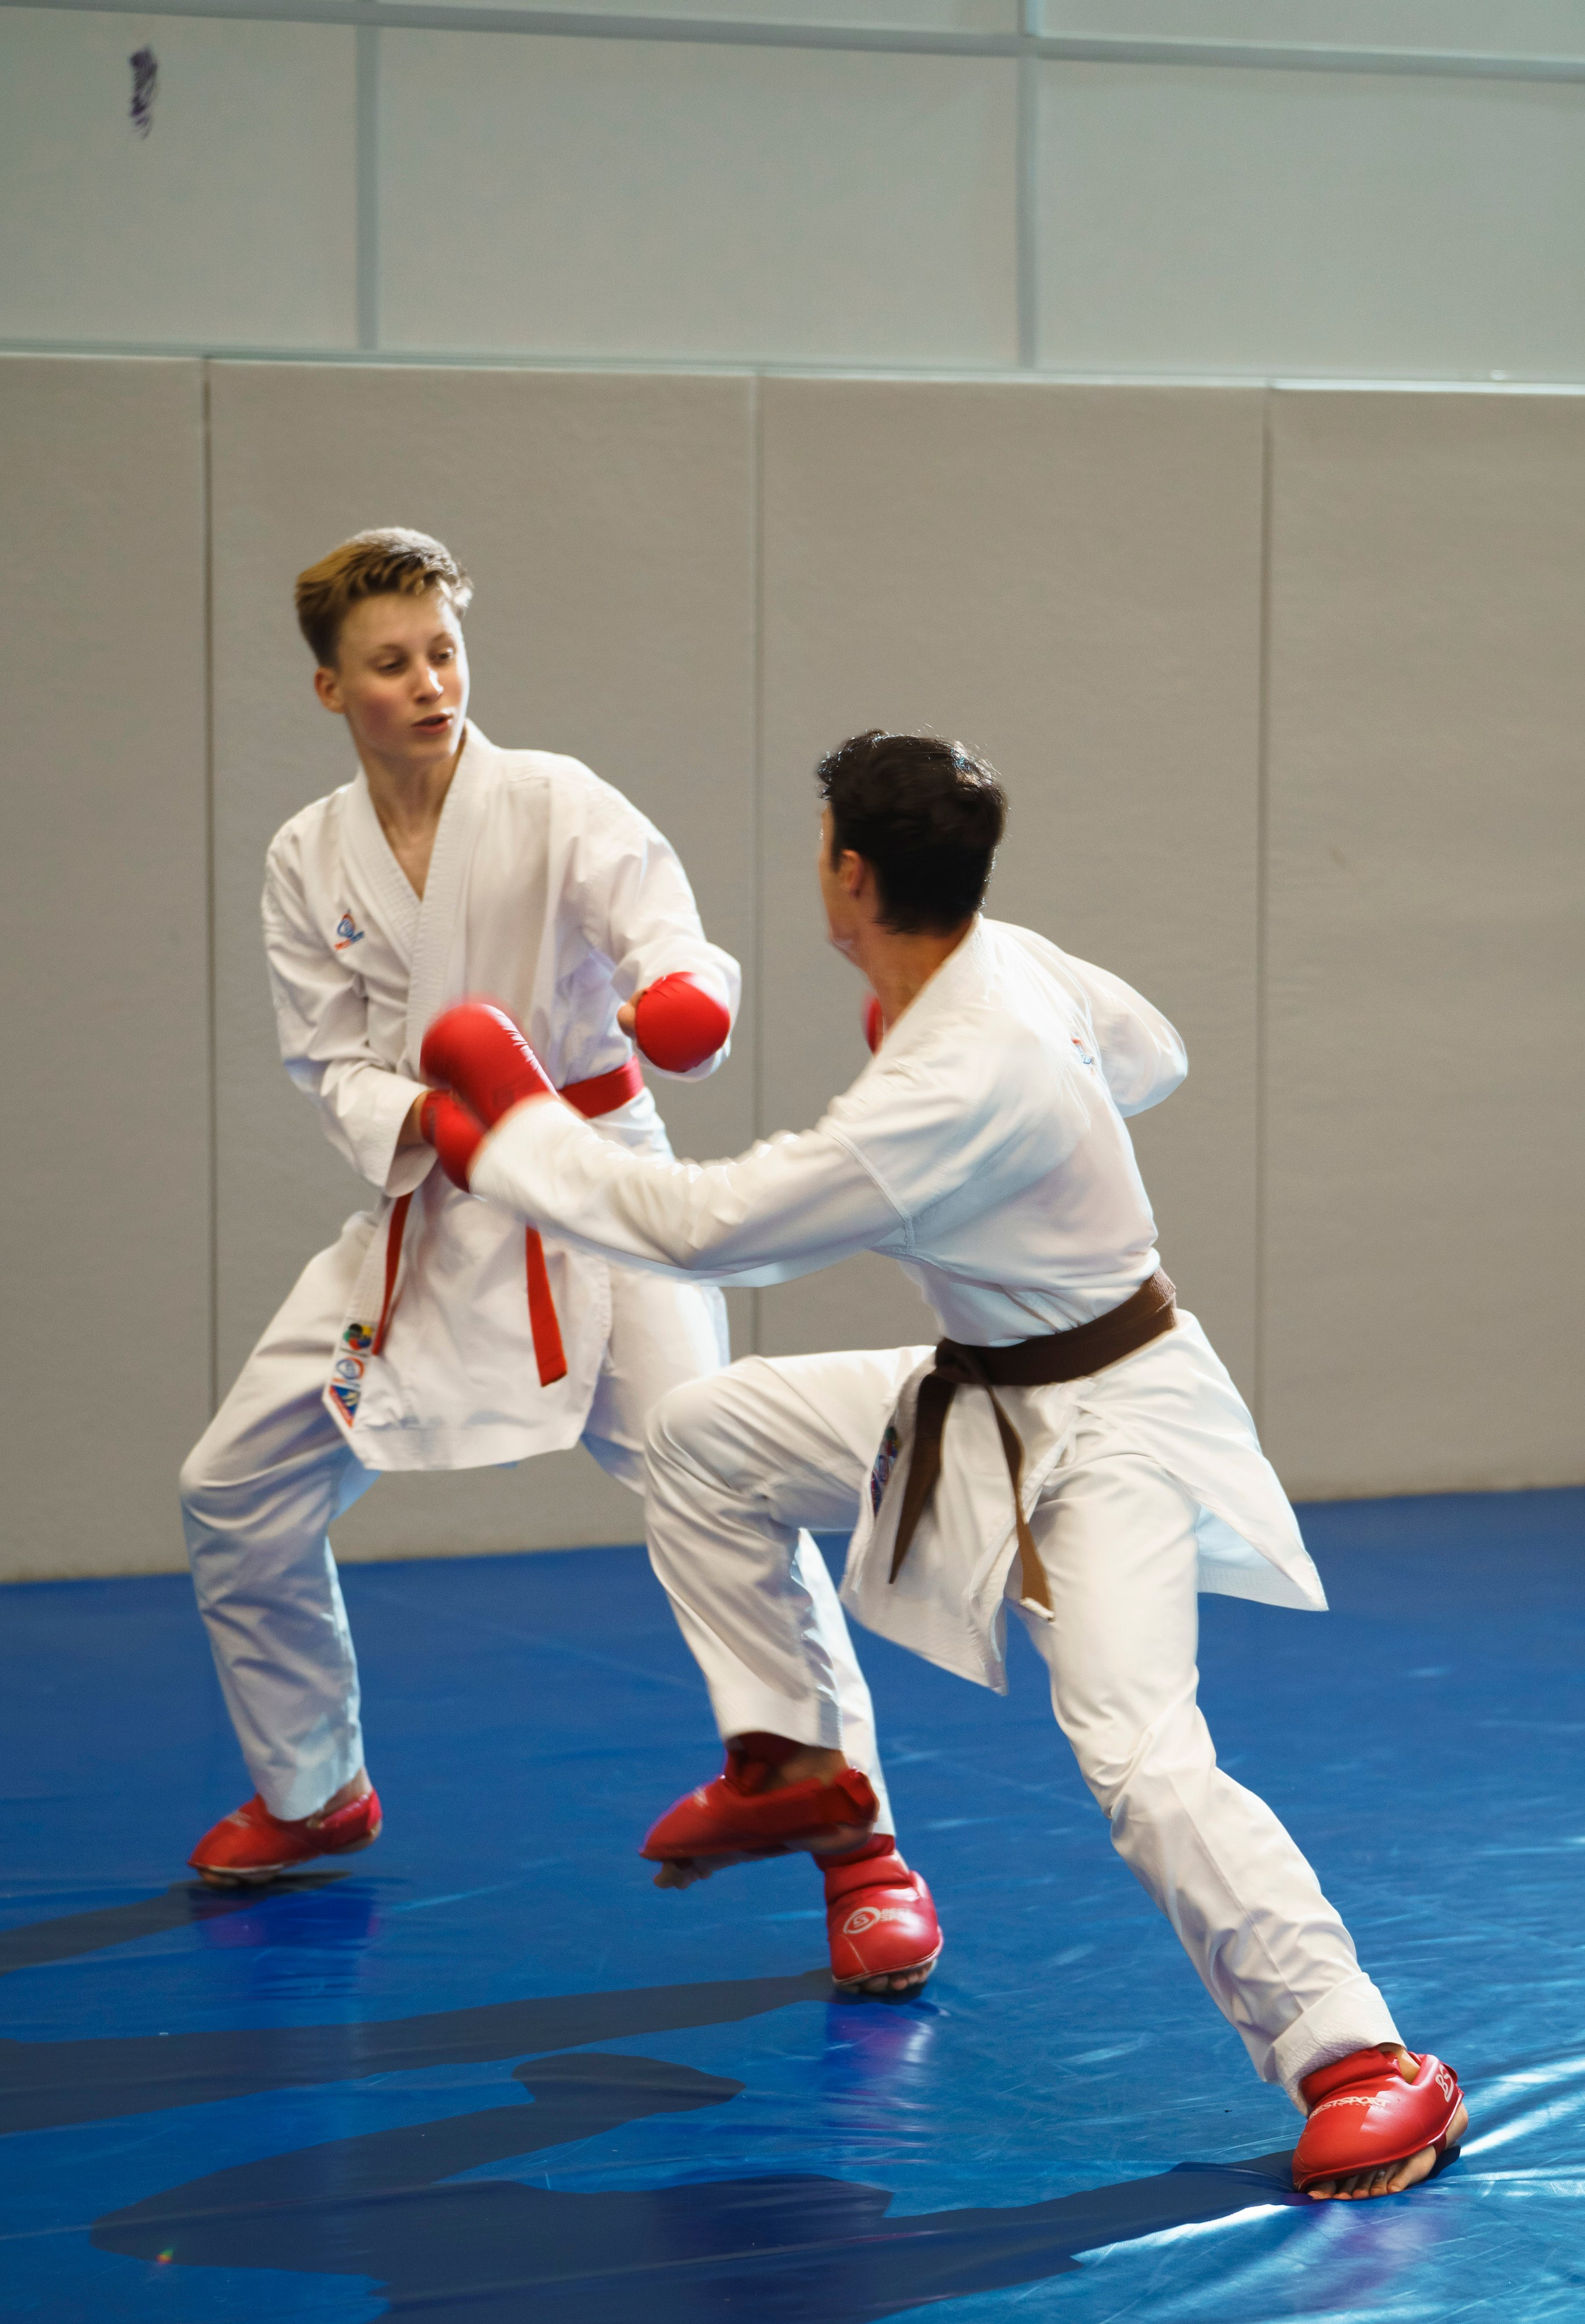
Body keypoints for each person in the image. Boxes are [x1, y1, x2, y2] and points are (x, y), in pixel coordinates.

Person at [418, 727, 1467, 2196]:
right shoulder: (1005, 970)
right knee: (705, 1435)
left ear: (847, 875)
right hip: (982, 1388)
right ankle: (796, 1759)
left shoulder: (947, 1083)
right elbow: (1152, 1053)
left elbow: (701, 1226)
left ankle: (1362, 2059)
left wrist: (513, 1135)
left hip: (1110, 1422)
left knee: (1139, 1759)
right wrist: (1053, 1146)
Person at [180, 527, 741, 1896]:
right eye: (392, 663)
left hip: (595, 1176)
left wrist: (684, 998)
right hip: (434, 1198)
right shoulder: (306, 858)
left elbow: (667, 933)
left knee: (717, 1487)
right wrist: (435, 1120)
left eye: (444, 651)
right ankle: (312, 1793)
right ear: (331, 690)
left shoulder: (553, 799)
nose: (431, 682)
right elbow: (328, 1058)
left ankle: (856, 1842)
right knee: (233, 1491)